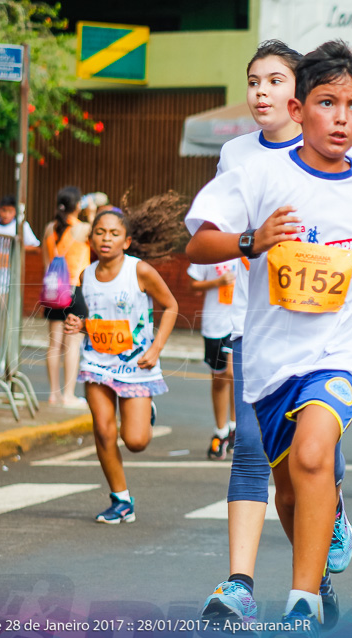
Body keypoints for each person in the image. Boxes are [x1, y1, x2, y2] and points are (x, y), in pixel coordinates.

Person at [185, 40, 352, 635]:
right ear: (299, 107)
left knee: (315, 453)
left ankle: (301, 601)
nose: (340, 117)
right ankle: (318, 578)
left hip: (342, 352)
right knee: (287, 493)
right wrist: (251, 241)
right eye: (326, 102)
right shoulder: (256, 172)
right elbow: (199, 244)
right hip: (270, 363)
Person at [196, 41, 352, 627]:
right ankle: (240, 584)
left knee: (310, 465)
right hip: (254, 326)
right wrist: (245, 240)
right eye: (253, 81)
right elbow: (216, 233)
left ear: (300, 94)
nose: (261, 92)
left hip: (324, 339)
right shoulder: (237, 154)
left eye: (274, 81)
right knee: (251, 451)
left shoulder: (333, 153)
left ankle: (321, 547)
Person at [63, 208, 178, 523]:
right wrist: (79, 324)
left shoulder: (139, 271)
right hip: (98, 362)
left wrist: (156, 349)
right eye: (100, 232)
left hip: (136, 364)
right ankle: (121, 500)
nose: (106, 239)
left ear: (126, 241)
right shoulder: (86, 275)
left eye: (114, 234)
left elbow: (170, 306)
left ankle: (146, 410)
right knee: (102, 429)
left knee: (136, 441)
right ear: (91, 237)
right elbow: (96, 319)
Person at [42, 186, 91, 409]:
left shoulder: (49, 229)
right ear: (78, 205)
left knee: (54, 344)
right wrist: (92, 214)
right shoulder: (83, 229)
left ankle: (54, 394)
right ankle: (68, 395)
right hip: (74, 290)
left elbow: (46, 262)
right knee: (72, 344)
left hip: (53, 291)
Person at [188, 260, 238, 459]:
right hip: (214, 323)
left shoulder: (251, 242)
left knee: (233, 373)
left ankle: (235, 428)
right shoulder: (211, 246)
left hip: (239, 322)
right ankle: (221, 431)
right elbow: (193, 285)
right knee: (220, 378)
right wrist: (218, 282)